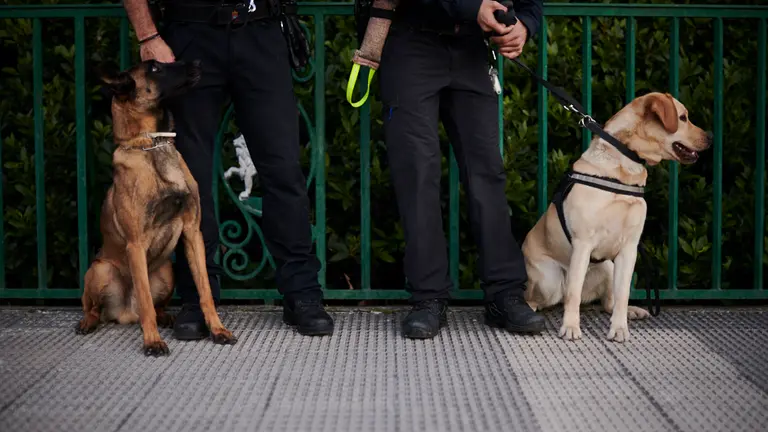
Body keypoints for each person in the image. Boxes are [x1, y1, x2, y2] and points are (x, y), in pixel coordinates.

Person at [122, 0, 334, 337]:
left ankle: (302, 295)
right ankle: (196, 299)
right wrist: (147, 36)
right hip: (190, 33)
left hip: (261, 29)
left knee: (283, 168)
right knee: (190, 177)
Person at [378, 0, 546, 339]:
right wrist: (473, 7)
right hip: (412, 41)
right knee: (417, 175)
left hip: (473, 48)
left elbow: (531, 3)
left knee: (488, 172)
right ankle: (428, 298)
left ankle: (503, 295)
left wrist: (525, 24)